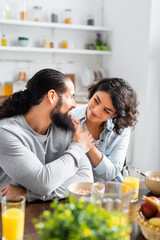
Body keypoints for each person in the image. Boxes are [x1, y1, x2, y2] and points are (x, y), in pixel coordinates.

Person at [0, 68, 94, 202]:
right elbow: (43, 183)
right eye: (71, 96)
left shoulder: (64, 126)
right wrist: (79, 147)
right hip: (10, 212)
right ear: (52, 96)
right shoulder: (6, 133)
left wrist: (29, 195)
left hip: (48, 210)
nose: (74, 104)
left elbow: (85, 179)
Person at [72, 78, 138, 182]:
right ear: (92, 93)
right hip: (77, 190)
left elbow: (111, 173)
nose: (96, 111)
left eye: (106, 110)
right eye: (96, 100)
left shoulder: (122, 130)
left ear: (116, 114)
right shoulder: (70, 118)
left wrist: (89, 146)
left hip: (109, 192)